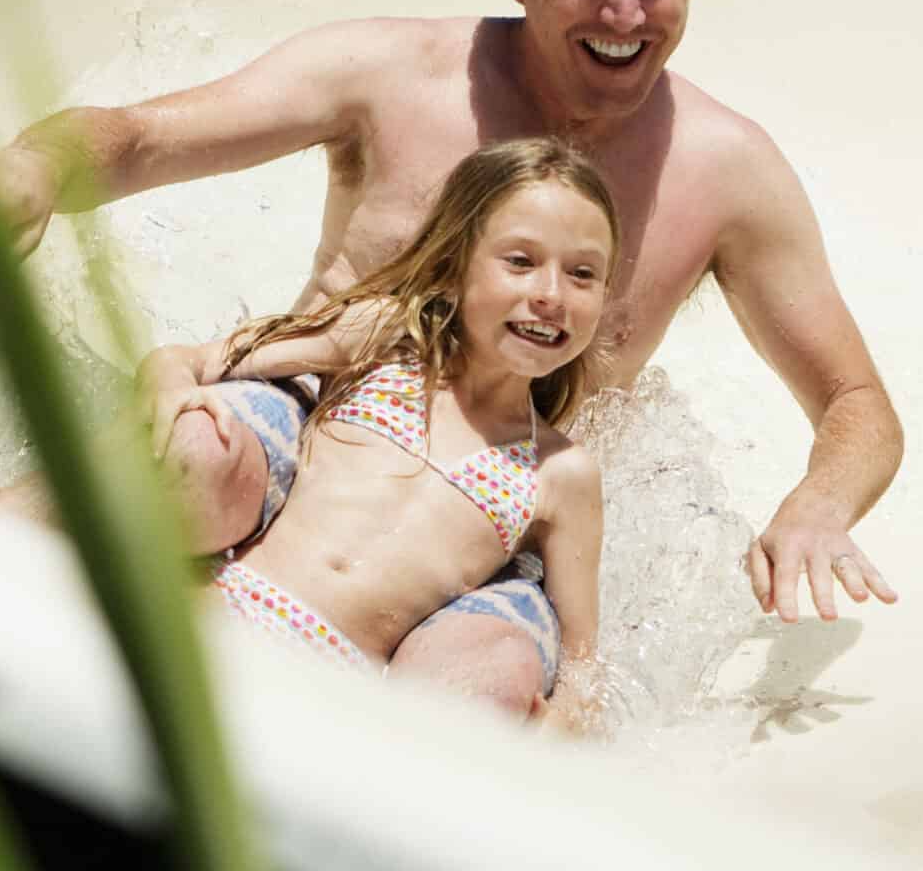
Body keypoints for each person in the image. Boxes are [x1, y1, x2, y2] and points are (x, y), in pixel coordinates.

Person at [0, 0, 903, 706]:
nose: (626, 14)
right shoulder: (386, 75)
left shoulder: (726, 171)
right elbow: (143, 136)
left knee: (487, 681)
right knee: (192, 459)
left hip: (482, 513)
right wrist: (30, 165)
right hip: (308, 423)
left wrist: (816, 508)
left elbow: (856, 404)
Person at [144, 139, 610, 716]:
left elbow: (583, 657)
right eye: (520, 261)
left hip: (333, 683)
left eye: (583, 274)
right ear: (455, 265)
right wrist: (170, 394)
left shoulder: (562, 473)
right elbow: (189, 360)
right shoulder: (384, 345)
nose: (550, 295)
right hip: (217, 607)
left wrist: (567, 721)